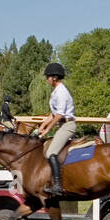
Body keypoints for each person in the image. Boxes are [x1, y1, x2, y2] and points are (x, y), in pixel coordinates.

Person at [35, 63, 76, 195]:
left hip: (67, 125)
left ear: (54, 77)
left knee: (51, 152)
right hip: (62, 125)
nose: (46, 79)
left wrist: (47, 130)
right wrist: (42, 126)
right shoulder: (56, 92)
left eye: (47, 77)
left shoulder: (62, 92)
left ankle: (58, 185)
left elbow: (59, 115)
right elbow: (52, 114)